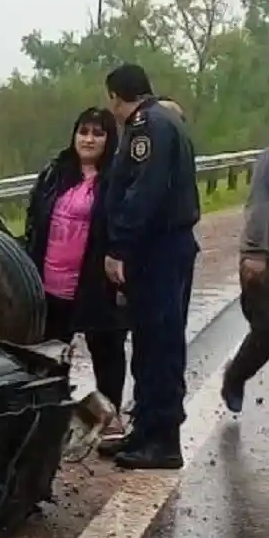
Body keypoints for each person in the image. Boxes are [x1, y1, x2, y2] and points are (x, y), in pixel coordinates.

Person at [99, 63, 200, 470]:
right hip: (163, 247)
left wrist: (119, 246)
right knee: (148, 342)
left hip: (157, 249)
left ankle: (163, 440)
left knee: (160, 344)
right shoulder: (165, 119)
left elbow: (143, 192)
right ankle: (146, 428)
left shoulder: (147, 126)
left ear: (115, 96)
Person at [22, 107, 128, 436]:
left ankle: (110, 417)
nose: (88, 139)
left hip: (96, 284)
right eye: (83, 131)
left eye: (97, 133)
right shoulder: (55, 173)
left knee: (106, 351)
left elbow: (123, 227)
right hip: (51, 281)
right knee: (51, 354)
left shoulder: (118, 179)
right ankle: (51, 418)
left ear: (109, 140)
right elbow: (34, 220)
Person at [221, 141, 269, 412]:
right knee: (268, 329)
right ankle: (236, 376)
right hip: (268, 255)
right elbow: (260, 203)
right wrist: (254, 251)